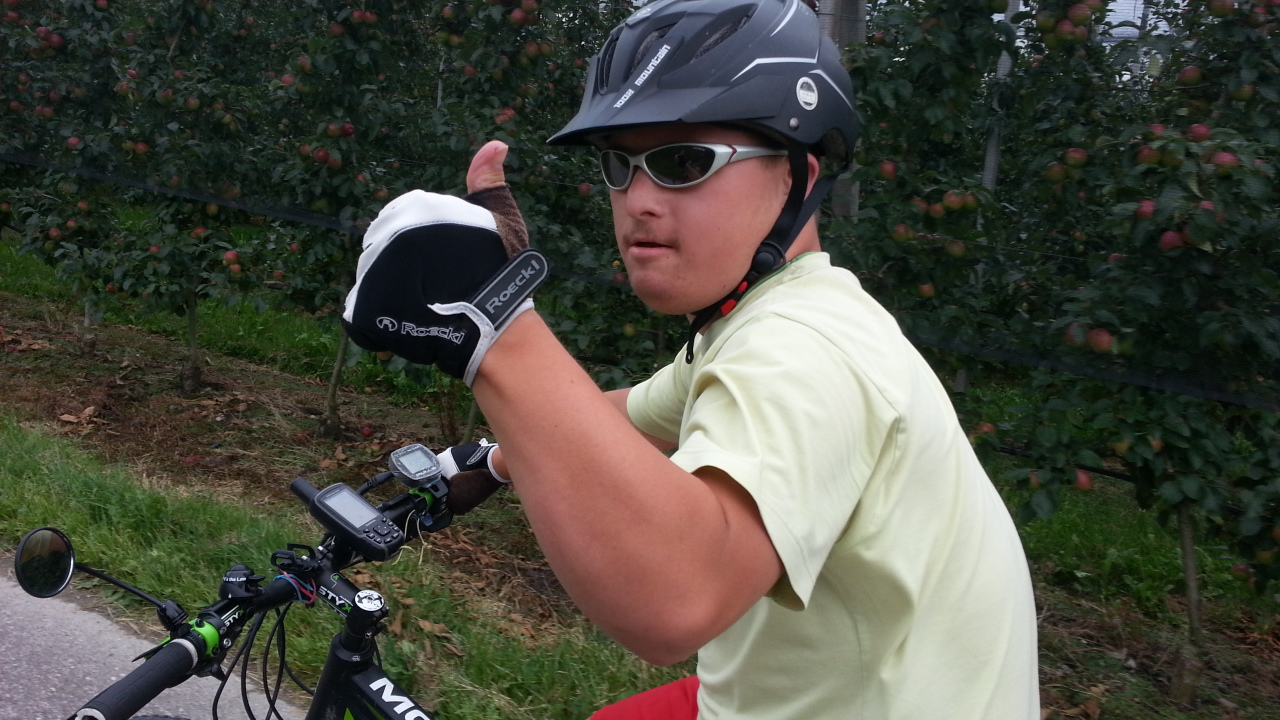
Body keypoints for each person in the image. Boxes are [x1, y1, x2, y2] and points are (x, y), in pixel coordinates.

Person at [341, 0, 1039, 717]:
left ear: (797, 177)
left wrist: (497, 330)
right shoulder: (762, 318)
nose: (638, 200)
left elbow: (676, 599)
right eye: (620, 165)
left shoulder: (804, 347)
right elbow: (631, 419)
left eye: (684, 162)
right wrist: (492, 461)